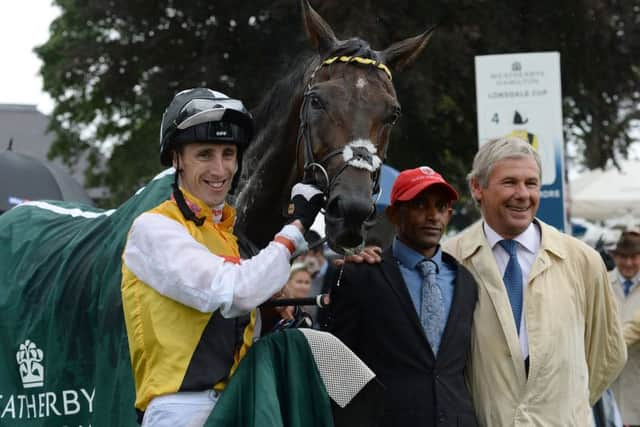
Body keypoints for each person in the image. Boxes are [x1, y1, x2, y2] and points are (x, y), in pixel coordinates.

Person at [120, 88, 324, 426]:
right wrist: (296, 226)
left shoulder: (229, 238)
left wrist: (270, 311)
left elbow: (239, 317)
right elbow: (234, 291)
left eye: (228, 154)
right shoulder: (153, 228)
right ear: (177, 159)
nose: (220, 169)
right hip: (182, 411)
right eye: (205, 154)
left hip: (243, 400)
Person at [443, 136, 627, 426]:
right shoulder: (449, 259)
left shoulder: (583, 261)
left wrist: (564, 407)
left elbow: (609, 353)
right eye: (509, 182)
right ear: (477, 188)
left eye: (531, 183)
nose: (522, 194)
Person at [327, 166, 479, 426]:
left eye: (441, 206)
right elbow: (337, 369)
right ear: (394, 214)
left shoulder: (465, 281)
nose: (433, 216)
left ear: (450, 214)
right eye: (420, 204)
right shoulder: (359, 275)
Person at [609, 230, 640, 426]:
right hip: (606, 385)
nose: (628, 263)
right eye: (623, 256)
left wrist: (609, 345)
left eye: (634, 257)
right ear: (615, 256)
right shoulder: (600, 280)